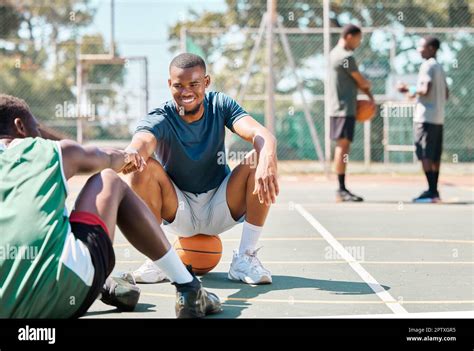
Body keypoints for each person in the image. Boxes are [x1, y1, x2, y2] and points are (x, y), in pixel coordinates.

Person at [0, 94, 221, 318]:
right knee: (108, 180)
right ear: (20, 126)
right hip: (63, 291)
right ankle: (188, 288)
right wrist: (127, 157)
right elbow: (107, 158)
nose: (39, 134)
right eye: (36, 127)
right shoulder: (52, 151)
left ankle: (103, 287)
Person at [124, 53, 279, 285]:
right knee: (142, 167)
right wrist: (133, 151)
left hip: (221, 204)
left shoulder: (220, 105)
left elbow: (260, 133)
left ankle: (245, 258)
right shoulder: (162, 117)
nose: (186, 92)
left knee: (258, 155)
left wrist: (268, 158)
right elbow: (142, 142)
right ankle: (158, 261)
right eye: (178, 85)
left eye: (194, 84)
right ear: (169, 85)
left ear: (206, 82)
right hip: (178, 208)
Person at [398, 36, 448, 203]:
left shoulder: (427, 65)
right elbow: (446, 94)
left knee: (425, 154)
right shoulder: (440, 67)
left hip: (425, 118)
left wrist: (407, 88)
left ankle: (432, 191)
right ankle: (434, 190)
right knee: (434, 156)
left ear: (432, 48)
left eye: (422, 47)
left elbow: (425, 90)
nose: (419, 50)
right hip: (438, 118)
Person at [328, 24, 374, 202]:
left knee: (342, 146)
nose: (359, 42)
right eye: (358, 38)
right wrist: (370, 96)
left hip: (338, 108)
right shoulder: (345, 57)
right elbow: (362, 82)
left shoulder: (334, 54)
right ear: (349, 36)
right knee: (343, 146)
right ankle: (341, 189)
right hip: (343, 109)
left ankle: (341, 188)